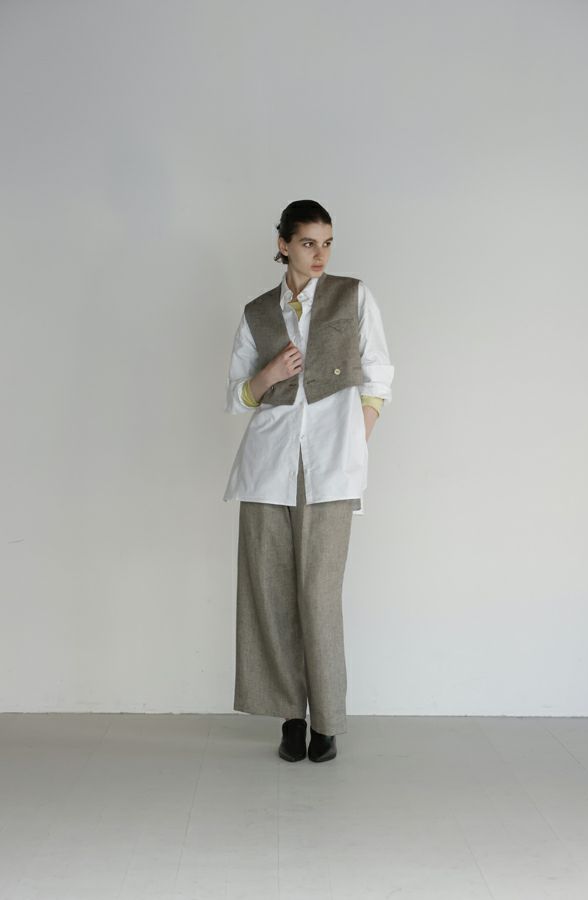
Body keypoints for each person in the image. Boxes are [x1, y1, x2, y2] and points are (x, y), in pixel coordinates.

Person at [223, 199, 394, 762]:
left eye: (326, 243)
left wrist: (354, 441)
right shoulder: (257, 312)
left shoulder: (352, 295)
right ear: (283, 245)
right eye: (307, 243)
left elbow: (379, 376)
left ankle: (327, 722)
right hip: (267, 470)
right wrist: (269, 374)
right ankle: (290, 719)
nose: (319, 254)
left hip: (330, 470)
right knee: (271, 596)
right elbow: (236, 396)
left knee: (318, 596)